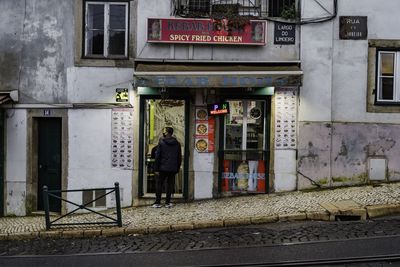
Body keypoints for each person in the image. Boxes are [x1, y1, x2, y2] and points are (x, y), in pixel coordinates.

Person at [152, 127, 182, 208]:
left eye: (164, 132)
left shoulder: (161, 142)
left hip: (162, 167)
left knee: (159, 184)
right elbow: (179, 157)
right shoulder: (177, 143)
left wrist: (156, 168)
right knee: (170, 184)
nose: (163, 133)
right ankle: (167, 202)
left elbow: (157, 156)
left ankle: (158, 202)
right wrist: (177, 168)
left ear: (166, 133)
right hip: (172, 168)